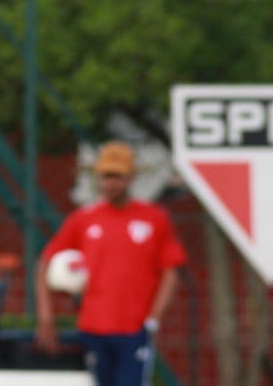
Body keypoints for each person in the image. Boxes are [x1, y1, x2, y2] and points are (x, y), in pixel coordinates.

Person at [35, 141, 188, 386]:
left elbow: (172, 270)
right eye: (106, 176)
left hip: (134, 329)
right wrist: (46, 317)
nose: (111, 183)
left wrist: (154, 318)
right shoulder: (85, 218)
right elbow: (46, 261)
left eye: (117, 176)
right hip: (93, 327)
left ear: (131, 178)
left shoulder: (154, 218)